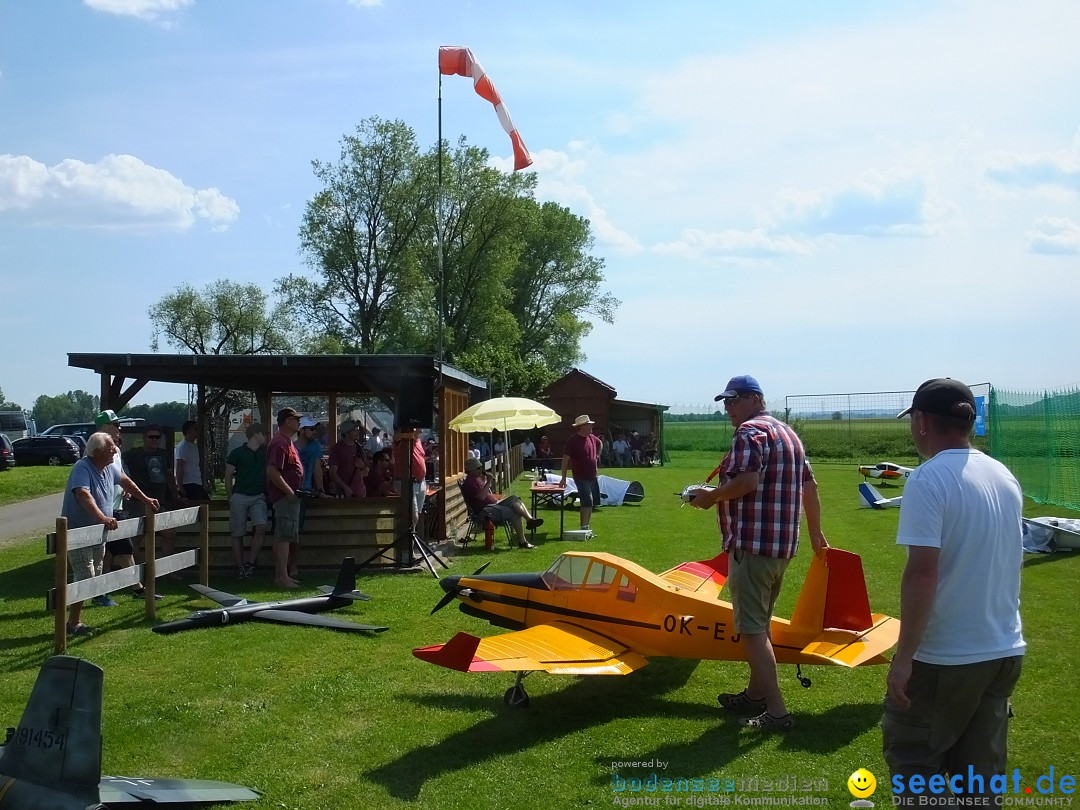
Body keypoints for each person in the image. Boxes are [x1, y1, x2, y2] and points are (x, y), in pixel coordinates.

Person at [884, 379, 1025, 791]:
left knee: (916, 769)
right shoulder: (1002, 475)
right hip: (1003, 648)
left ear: (923, 421)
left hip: (947, 656)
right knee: (980, 781)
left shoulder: (928, 480)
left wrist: (905, 657)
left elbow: (923, 572)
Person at [690, 375, 827, 732]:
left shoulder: (750, 433)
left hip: (751, 546)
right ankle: (754, 693)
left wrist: (711, 497)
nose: (728, 409)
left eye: (733, 401)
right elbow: (810, 485)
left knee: (751, 631)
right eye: (725, 403)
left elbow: (747, 482)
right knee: (760, 625)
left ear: (754, 399)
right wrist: (815, 534)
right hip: (782, 548)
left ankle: (777, 711)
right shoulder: (789, 434)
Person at [61, 432, 159, 636]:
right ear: (97, 452)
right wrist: (102, 517)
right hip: (79, 531)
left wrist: (146, 499)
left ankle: (72, 620)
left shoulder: (110, 465)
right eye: (111, 448)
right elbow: (82, 495)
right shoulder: (82, 467)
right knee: (85, 576)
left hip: (98, 532)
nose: (115, 450)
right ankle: (72, 623)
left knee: (93, 576)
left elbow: (125, 481)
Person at [123, 423, 181, 595]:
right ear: (144, 437)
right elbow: (119, 468)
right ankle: (136, 575)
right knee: (136, 538)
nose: (154, 440)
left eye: (157, 437)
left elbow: (170, 476)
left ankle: (166, 570)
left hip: (159, 502)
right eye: (151, 437)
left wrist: (176, 494)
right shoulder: (133, 454)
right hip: (139, 501)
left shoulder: (163, 454)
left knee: (169, 534)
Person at [462, 456, 541, 548]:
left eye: (481, 467)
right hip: (484, 512)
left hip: (493, 506)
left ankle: (530, 520)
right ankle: (523, 541)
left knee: (514, 498)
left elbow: (485, 494)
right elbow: (481, 497)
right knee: (514, 512)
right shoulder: (469, 483)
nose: (481, 470)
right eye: (478, 468)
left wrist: (494, 495)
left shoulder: (477, 479)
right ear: (471, 470)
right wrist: (489, 482)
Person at [265, 408, 305, 589]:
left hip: (289, 497)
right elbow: (272, 470)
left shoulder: (287, 441)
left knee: (285, 536)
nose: (299, 423)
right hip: (284, 498)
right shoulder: (280, 442)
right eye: (296, 419)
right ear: (287, 421)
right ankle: (282, 578)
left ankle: (281, 576)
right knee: (284, 537)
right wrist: (289, 491)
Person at [93, 410, 129, 606]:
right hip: (103, 510)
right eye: (115, 424)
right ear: (104, 427)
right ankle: (137, 588)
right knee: (111, 551)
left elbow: (120, 473)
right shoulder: (95, 448)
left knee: (108, 552)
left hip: (117, 505)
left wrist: (126, 489)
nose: (119, 428)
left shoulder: (116, 450)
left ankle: (102, 593)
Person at [224, 423, 268, 578]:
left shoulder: (266, 453)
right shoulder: (237, 453)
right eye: (264, 434)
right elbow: (228, 475)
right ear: (256, 434)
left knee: (261, 526)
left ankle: (250, 562)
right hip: (240, 495)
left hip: (259, 496)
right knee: (237, 532)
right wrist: (230, 496)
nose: (266, 437)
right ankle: (240, 566)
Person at [560, 415, 604, 532]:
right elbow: (565, 459)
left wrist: (597, 456)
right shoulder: (573, 440)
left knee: (591, 502)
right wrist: (563, 478)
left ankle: (586, 526)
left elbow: (600, 444)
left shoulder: (592, 438)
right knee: (586, 501)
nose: (591, 426)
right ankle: (583, 526)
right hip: (581, 476)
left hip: (592, 475)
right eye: (589, 424)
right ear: (582, 426)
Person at [396, 427, 427, 531]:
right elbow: (396, 437)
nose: (422, 426)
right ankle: (408, 545)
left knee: (416, 515)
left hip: (421, 482)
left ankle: (412, 543)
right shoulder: (403, 440)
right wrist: (410, 433)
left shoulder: (418, 440)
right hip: (407, 483)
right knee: (413, 517)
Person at [328, 420, 368, 498]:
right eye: (354, 430)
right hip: (343, 494)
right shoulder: (337, 449)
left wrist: (362, 466)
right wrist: (345, 488)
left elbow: (366, 473)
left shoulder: (359, 448)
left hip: (360, 493)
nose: (358, 432)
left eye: (358, 429)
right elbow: (332, 473)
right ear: (346, 433)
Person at [174, 419, 209, 500]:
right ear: (188, 431)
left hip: (196, 483)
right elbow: (179, 467)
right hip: (188, 484)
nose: (198, 431)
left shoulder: (193, 446)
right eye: (195, 428)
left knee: (207, 506)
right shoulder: (183, 447)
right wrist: (180, 487)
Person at [296, 416, 326, 495]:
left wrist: (321, 491)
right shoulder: (291, 447)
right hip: (292, 491)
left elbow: (317, 469)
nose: (315, 432)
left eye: (315, 429)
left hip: (308, 490)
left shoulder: (316, 446)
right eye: (312, 429)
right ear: (302, 430)